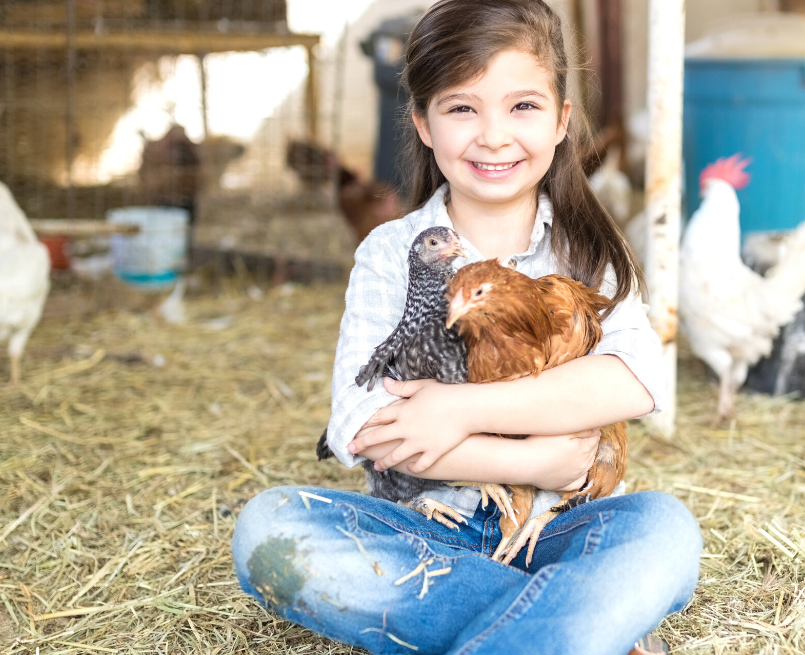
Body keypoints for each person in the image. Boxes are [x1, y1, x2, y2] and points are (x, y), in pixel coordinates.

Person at [231, 1, 701, 653]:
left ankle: (555, 618)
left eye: (522, 107)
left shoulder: (585, 249)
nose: (493, 136)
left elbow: (636, 377)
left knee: (664, 529)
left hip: (560, 528)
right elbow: (361, 426)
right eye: (461, 108)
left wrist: (458, 408)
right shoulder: (389, 253)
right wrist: (531, 457)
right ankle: (577, 622)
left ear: (562, 119)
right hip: (429, 532)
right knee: (269, 529)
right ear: (423, 123)